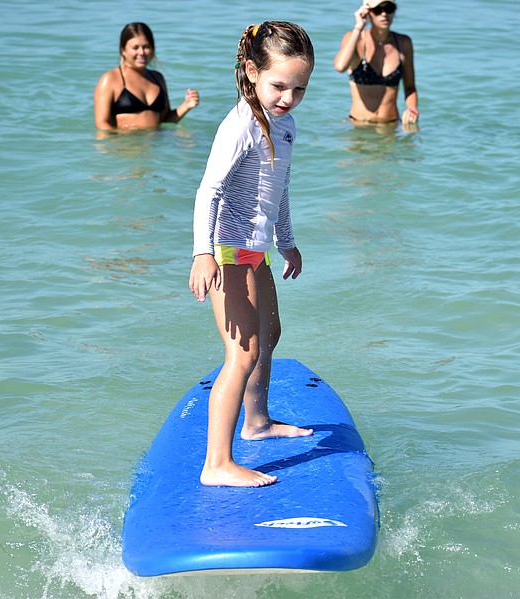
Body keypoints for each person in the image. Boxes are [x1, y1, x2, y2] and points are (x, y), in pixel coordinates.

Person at [188, 22, 315, 488]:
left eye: (299, 88)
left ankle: (256, 423)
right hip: (227, 252)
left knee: (269, 333)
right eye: (279, 85)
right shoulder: (240, 125)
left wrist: (287, 240)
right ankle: (216, 463)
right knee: (241, 353)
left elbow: (278, 191)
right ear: (252, 71)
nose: (287, 96)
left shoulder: (284, 127)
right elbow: (209, 192)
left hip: (256, 251)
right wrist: (203, 254)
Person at [94, 22, 200, 131]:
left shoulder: (157, 78)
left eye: (146, 47)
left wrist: (186, 106)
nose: (141, 52)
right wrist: (123, 143)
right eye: (135, 48)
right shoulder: (110, 79)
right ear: (123, 50)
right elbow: (102, 124)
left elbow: (165, 120)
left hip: (157, 145)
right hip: (126, 145)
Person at [333, 1, 418, 126]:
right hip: (359, 126)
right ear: (368, 12)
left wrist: (412, 109)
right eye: (378, 10)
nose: (384, 14)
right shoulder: (355, 39)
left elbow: (410, 87)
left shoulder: (403, 43)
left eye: (389, 9)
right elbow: (340, 66)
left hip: (391, 126)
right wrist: (359, 26)